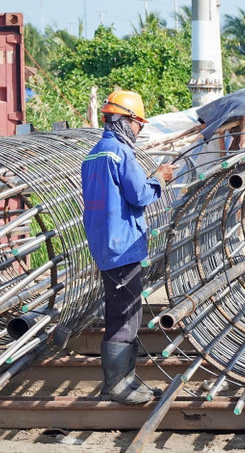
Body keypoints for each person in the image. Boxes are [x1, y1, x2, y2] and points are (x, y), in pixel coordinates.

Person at [81, 89, 174, 404]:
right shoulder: (120, 153)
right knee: (125, 314)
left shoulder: (94, 154)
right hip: (122, 245)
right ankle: (118, 385)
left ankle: (127, 380)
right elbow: (140, 196)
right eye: (138, 124)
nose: (139, 131)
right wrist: (160, 178)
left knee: (121, 310)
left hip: (105, 243)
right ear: (125, 120)